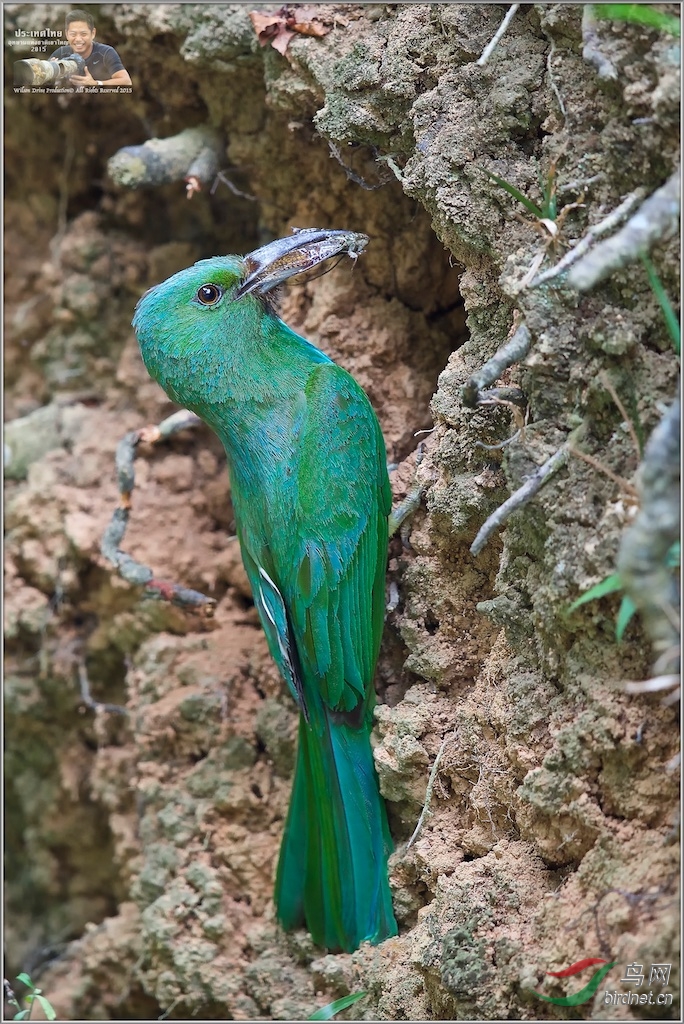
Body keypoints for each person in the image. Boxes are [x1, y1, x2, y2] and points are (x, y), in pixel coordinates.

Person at [49, 9, 131, 88]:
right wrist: (50, 73)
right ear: (67, 34)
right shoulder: (61, 53)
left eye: (83, 34)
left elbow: (127, 82)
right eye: (73, 34)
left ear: (93, 33)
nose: (78, 39)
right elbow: (41, 76)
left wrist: (96, 84)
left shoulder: (105, 52)